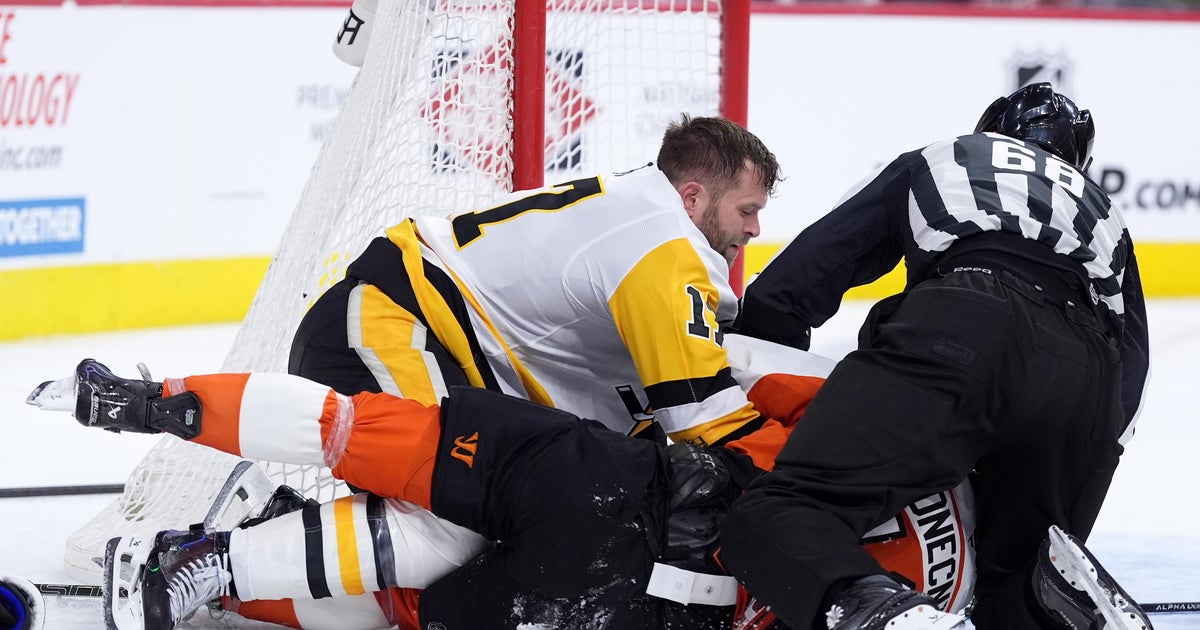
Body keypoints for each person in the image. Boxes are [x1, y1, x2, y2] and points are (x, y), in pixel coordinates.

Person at [33, 341, 975, 630]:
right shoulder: (954, 571)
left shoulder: (902, 429)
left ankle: (162, 421)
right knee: (409, 596)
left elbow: (757, 381)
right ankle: (218, 572)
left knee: (366, 443)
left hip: (617, 487)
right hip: (628, 599)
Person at [720, 82, 1152, 630]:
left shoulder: (948, 157)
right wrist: (1077, 471)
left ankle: (874, 609)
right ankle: (1052, 601)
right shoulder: (1103, 211)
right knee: (1009, 578)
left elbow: (805, 276)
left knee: (774, 514)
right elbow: (1131, 374)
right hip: (1085, 386)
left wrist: (758, 367)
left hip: (966, 321)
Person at [289, 113, 780, 448]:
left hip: (410, 333)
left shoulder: (642, 211)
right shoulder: (662, 246)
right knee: (449, 499)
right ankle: (228, 558)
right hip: (388, 324)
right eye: (747, 210)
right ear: (692, 197)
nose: (754, 229)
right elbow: (704, 420)